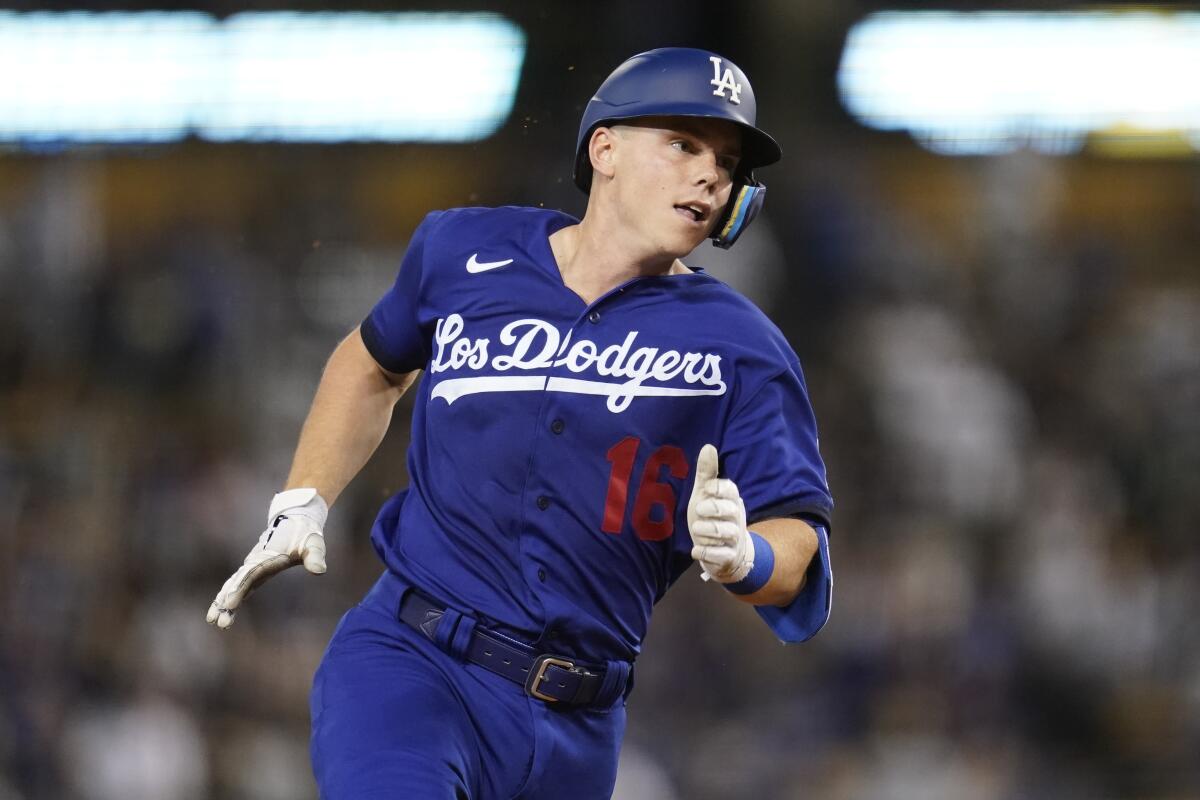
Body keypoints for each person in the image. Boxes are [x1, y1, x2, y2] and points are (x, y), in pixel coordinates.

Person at [206, 47, 834, 799]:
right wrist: (304, 497)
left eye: (727, 162)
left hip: (582, 724)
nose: (709, 173)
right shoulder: (463, 251)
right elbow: (374, 362)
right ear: (604, 148)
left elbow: (798, 539)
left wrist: (745, 558)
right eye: (683, 143)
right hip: (415, 665)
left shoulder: (744, 346)